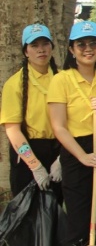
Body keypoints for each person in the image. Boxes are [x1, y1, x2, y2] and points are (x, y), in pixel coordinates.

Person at [48, 21, 96, 246]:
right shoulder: (61, 80)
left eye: (93, 43)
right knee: (79, 212)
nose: (88, 49)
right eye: (81, 44)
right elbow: (59, 127)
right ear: (71, 49)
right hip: (76, 149)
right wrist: (82, 156)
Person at [1, 24, 61, 197]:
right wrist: (35, 166)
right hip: (28, 152)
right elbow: (12, 129)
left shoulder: (63, 79)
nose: (41, 50)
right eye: (34, 46)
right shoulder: (14, 84)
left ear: (51, 47)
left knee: (55, 208)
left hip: (59, 150)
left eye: (45, 44)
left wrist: (62, 159)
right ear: (26, 52)